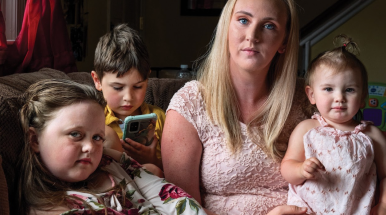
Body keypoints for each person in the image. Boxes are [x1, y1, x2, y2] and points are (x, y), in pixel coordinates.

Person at [161, 0, 311, 214]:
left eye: (269, 26)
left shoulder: (308, 100)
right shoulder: (190, 104)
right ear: (226, 29)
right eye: (243, 20)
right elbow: (183, 210)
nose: (252, 35)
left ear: (283, 42)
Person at [17, 79, 206, 215]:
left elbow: (171, 198)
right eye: (75, 134)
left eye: (97, 137)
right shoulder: (50, 208)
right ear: (35, 140)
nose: (90, 147)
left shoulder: (111, 161)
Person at [281, 35, 386, 214]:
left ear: (362, 98)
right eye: (329, 89)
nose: (339, 98)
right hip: (310, 210)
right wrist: (300, 169)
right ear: (312, 95)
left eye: (349, 90)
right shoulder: (307, 129)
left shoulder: (372, 135)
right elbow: (287, 166)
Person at [91, 24, 165, 170]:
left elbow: (176, 170)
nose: (128, 97)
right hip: (112, 182)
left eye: (138, 87)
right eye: (118, 88)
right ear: (97, 81)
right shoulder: (95, 120)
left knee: (153, 169)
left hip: (151, 184)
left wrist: (152, 160)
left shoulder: (159, 118)